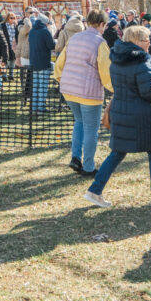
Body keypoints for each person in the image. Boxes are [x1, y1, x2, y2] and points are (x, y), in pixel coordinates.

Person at [83, 26, 151, 208]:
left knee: (117, 152)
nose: (149, 42)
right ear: (136, 41)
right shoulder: (141, 63)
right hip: (141, 116)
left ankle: (94, 190)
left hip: (121, 112)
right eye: (146, 39)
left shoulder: (117, 61)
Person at [54, 9, 113, 176]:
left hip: (68, 89)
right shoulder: (99, 42)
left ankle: (75, 157)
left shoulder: (74, 39)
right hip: (89, 94)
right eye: (105, 25)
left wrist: (61, 79)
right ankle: (88, 167)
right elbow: (106, 70)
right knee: (91, 129)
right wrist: (115, 88)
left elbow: (60, 63)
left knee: (79, 122)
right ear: (102, 24)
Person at [28, 12, 55, 113]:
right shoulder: (45, 31)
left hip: (33, 62)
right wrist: (55, 42)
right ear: (45, 23)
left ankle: (34, 107)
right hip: (43, 62)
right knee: (42, 86)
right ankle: (41, 107)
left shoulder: (32, 31)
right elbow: (51, 46)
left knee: (35, 86)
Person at [0, 11, 18, 80]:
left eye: (14, 18)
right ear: (7, 18)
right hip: (6, 45)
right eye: (11, 18)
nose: (13, 19)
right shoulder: (3, 25)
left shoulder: (15, 26)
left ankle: (11, 74)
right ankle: (4, 75)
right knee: (5, 60)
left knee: (13, 60)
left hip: (13, 46)